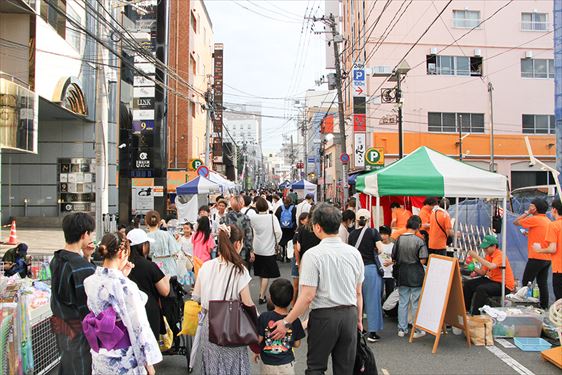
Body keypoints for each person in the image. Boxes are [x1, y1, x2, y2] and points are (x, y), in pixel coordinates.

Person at [271, 203, 364, 375]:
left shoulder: (313, 255)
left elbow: (307, 296)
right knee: (345, 369)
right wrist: (358, 319)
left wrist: (286, 321)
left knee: (316, 367)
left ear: (317, 227)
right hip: (349, 314)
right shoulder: (354, 253)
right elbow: (358, 292)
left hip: (324, 316)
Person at [83, 232, 162, 374]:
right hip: (123, 355)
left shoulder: (89, 281)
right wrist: (148, 362)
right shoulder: (124, 286)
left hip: (100, 352)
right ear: (122, 253)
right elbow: (138, 325)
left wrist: (122, 275)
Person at [192, 224, 255, 374]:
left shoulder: (206, 267)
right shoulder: (239, 270)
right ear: (238, 244)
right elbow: (248, 303)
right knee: (232, 367)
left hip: (209, 326)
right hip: (231, 325)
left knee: (212, 365)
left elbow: (197, 297)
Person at [50, 212, 97, 375]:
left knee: (67, 363)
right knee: (81, 367)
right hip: (79, 330)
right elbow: (90, 306)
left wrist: (87, 257)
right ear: (85, 234)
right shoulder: (83, 268)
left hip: (61, 324)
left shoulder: (57, 259)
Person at [127, 228, 170, 341]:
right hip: (149, 310)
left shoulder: (124, 264)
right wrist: (167, 278)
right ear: (143, 246)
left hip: (128, 310)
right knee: (149, 349)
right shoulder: (149, 265)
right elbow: (165, 291)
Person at [348, 208, 384, 342]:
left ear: (356, 220)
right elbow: (380, 249)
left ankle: (358, 328)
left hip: (355, 270)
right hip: (370, 268)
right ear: (369, 219)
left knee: (356, 299)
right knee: (372, 300)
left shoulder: (351, 235)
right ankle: (373, 332)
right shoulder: (373, 232)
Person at [255, 279, 305, 375]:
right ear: (291, 299)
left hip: (267, 364)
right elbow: (297, 344)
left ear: (271, 298)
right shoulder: (294, 320)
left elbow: (259, 339)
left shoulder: (264, 317)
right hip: (286, 364)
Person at [392, 216, 428, 337]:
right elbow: (423, 260)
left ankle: (401, 329)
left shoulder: (399, 239)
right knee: (415, 302)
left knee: (403, 302)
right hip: (416, 273)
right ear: (418, 226)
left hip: (402, 272)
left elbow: (394, 257)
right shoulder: (419, 241)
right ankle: (416, 328)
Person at [513, 198, 551, 308]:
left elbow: (516, 222)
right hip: (547, 257)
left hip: (536, 257)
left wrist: (527, 213)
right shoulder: (547, 220)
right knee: (542, 283)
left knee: (526, 282)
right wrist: (529, 235)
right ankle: (544, 306)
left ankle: (524, 306)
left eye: (531, 206)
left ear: (535, 208)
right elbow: (542, 236)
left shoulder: (535, 219)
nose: (529, 207)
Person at [463, 235, 515, 315]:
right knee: (468, 284)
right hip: (492, 280)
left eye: (486, 248)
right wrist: (473, 268)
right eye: (483, 248)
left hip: (504, 285)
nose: (484, 250)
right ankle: (465, 310)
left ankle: (476, 315)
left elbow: (491, 266)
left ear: (494, 246)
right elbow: (483, 273)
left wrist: (476, 256)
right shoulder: (488, 255)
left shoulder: (500, 255)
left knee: (481, 289)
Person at [250, 197, 283, 304]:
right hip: (268, 248)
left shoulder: (253, 218)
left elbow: (251, 232)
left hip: (257, 248)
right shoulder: (272, 217)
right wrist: (275, 241)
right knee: (266, 274)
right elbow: (278, 232)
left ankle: (261, 292)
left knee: (261, 273)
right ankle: (262, 295)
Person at [534, 198, 562, 300]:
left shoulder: (554, 225)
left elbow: (552, 248)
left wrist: (539, 249)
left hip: (559, 268)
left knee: (559, 300)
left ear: (554, 210)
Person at [221, 195, 255, 269]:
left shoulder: (225, 218)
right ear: (242, 204)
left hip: (228, 249)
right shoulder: (245, 218)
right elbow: (249, 236)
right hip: (242, 249)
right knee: (242, 272)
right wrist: (251, 250)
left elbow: (221, 234)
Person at [145, 210, 181, 277]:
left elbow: (146, 253)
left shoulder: (145, 237)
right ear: (159, 222)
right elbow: (175, 250)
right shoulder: (167, 234)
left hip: (154, 266)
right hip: (170, 267)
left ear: (146, 222)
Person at [291, 213, 310, 306]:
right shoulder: (300, 231)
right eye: (307, 219)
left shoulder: (299, 230)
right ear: (302, 220)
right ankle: (294, 304)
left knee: (298, 285)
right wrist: (298, 263)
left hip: (298, 260)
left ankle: (294, 305)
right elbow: (296, 248)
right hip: (298, 261)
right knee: (297, 286)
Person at [275, 196, 297, 262]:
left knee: (282, 242)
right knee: (289, 242)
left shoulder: (280, 208)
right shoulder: (294, 208)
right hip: (291, 228)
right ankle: (288, 257)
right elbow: (295, 218)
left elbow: (276, 217)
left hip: (282, 228)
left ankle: (282, 256)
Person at [379, 225, 395, 301]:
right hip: (380, 273)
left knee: (390, 295)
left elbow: (397, 259)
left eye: (385, 234)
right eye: (381, 234)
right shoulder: (378, 246)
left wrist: (391, 262)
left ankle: (389, 311)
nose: (383, 236)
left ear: (389, 235)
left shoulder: (393, 246)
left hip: (390, 274)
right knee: (379, 294)